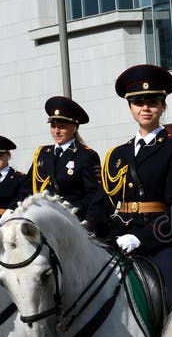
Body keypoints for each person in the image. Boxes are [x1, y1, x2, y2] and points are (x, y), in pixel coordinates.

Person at [102, 64, 172, 312]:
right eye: (138, 102)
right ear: (130, 107)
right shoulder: (119, 154)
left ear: (163, 106)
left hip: (160, 240)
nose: (145, 108)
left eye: (152, 102)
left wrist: (139, 238)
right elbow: (106, 203)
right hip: (119, 233)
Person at [27, 96, 111, 238]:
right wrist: (13, 210)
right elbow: (27, 187)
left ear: (75, 127)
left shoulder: (85, 155)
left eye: (62, 126)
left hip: (72, 221)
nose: (56, 131)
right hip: (44, 220)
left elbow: (93, 194)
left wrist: (72, 212)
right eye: (53, 126)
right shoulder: (42, 154)